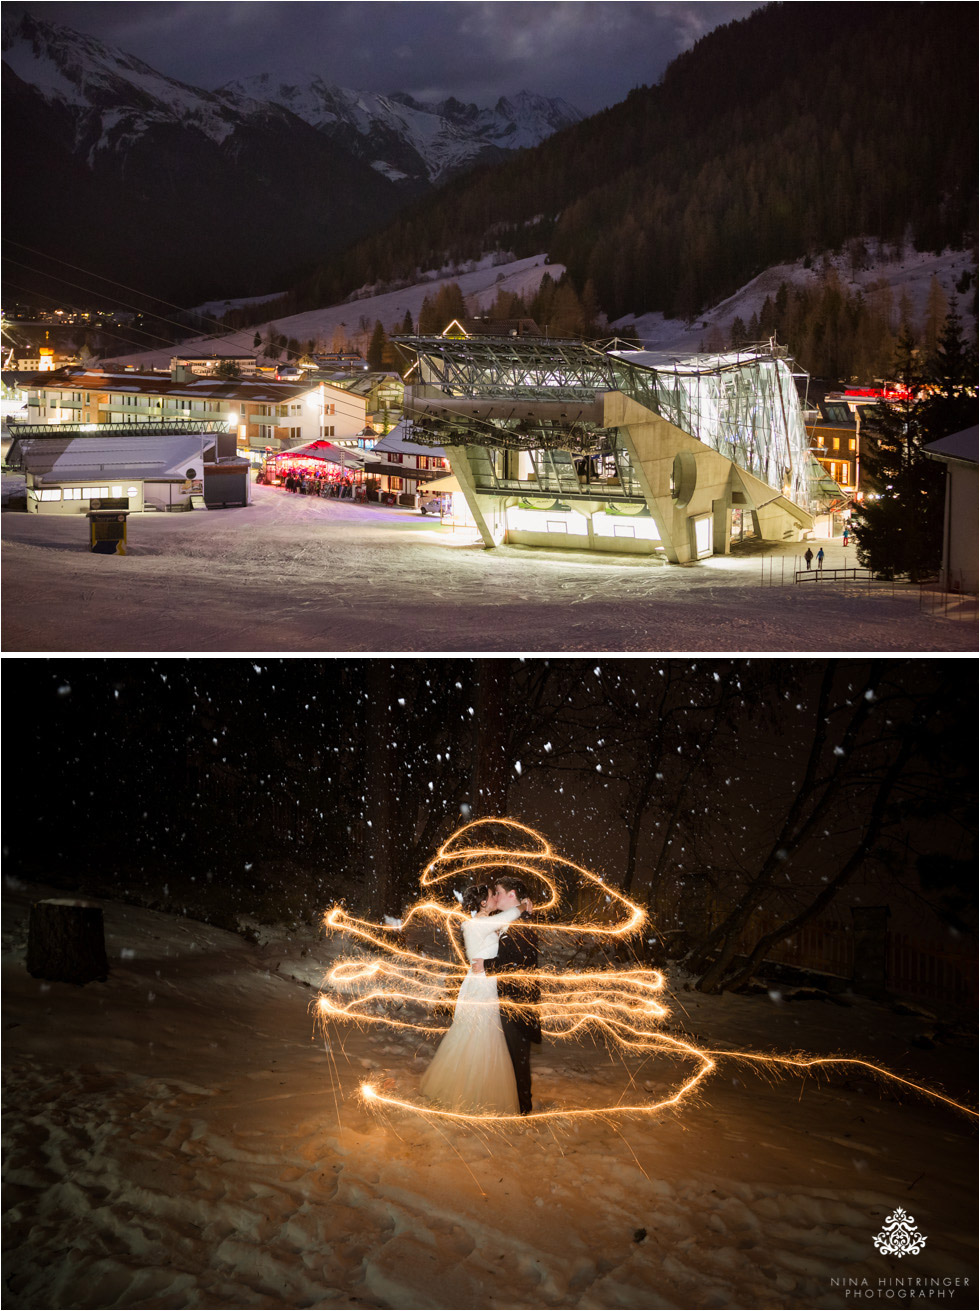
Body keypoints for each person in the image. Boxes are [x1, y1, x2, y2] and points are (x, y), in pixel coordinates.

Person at [419, 885, 521, 1114]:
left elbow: (505, 925)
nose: (495, 898)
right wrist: (524, 904)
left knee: (478, 1033)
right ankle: (469, 1093)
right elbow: (512, 914)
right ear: (483, 903)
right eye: (491, 896)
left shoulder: (483, 923)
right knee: (480, 1034)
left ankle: (472, 1088)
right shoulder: (478, 924)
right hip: (482, 986)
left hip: (484, 983)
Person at [484, 875, 541, 1115]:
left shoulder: (523, 923)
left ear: (511, 895)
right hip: (506, 1000)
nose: (495, 896)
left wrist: (485, 966)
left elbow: (516, 962)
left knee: (517, 1056)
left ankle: (523, 1108)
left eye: (498, 892)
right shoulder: (510, 920)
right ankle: (514, 1103)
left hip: (517, 1002)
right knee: (509, 1055)